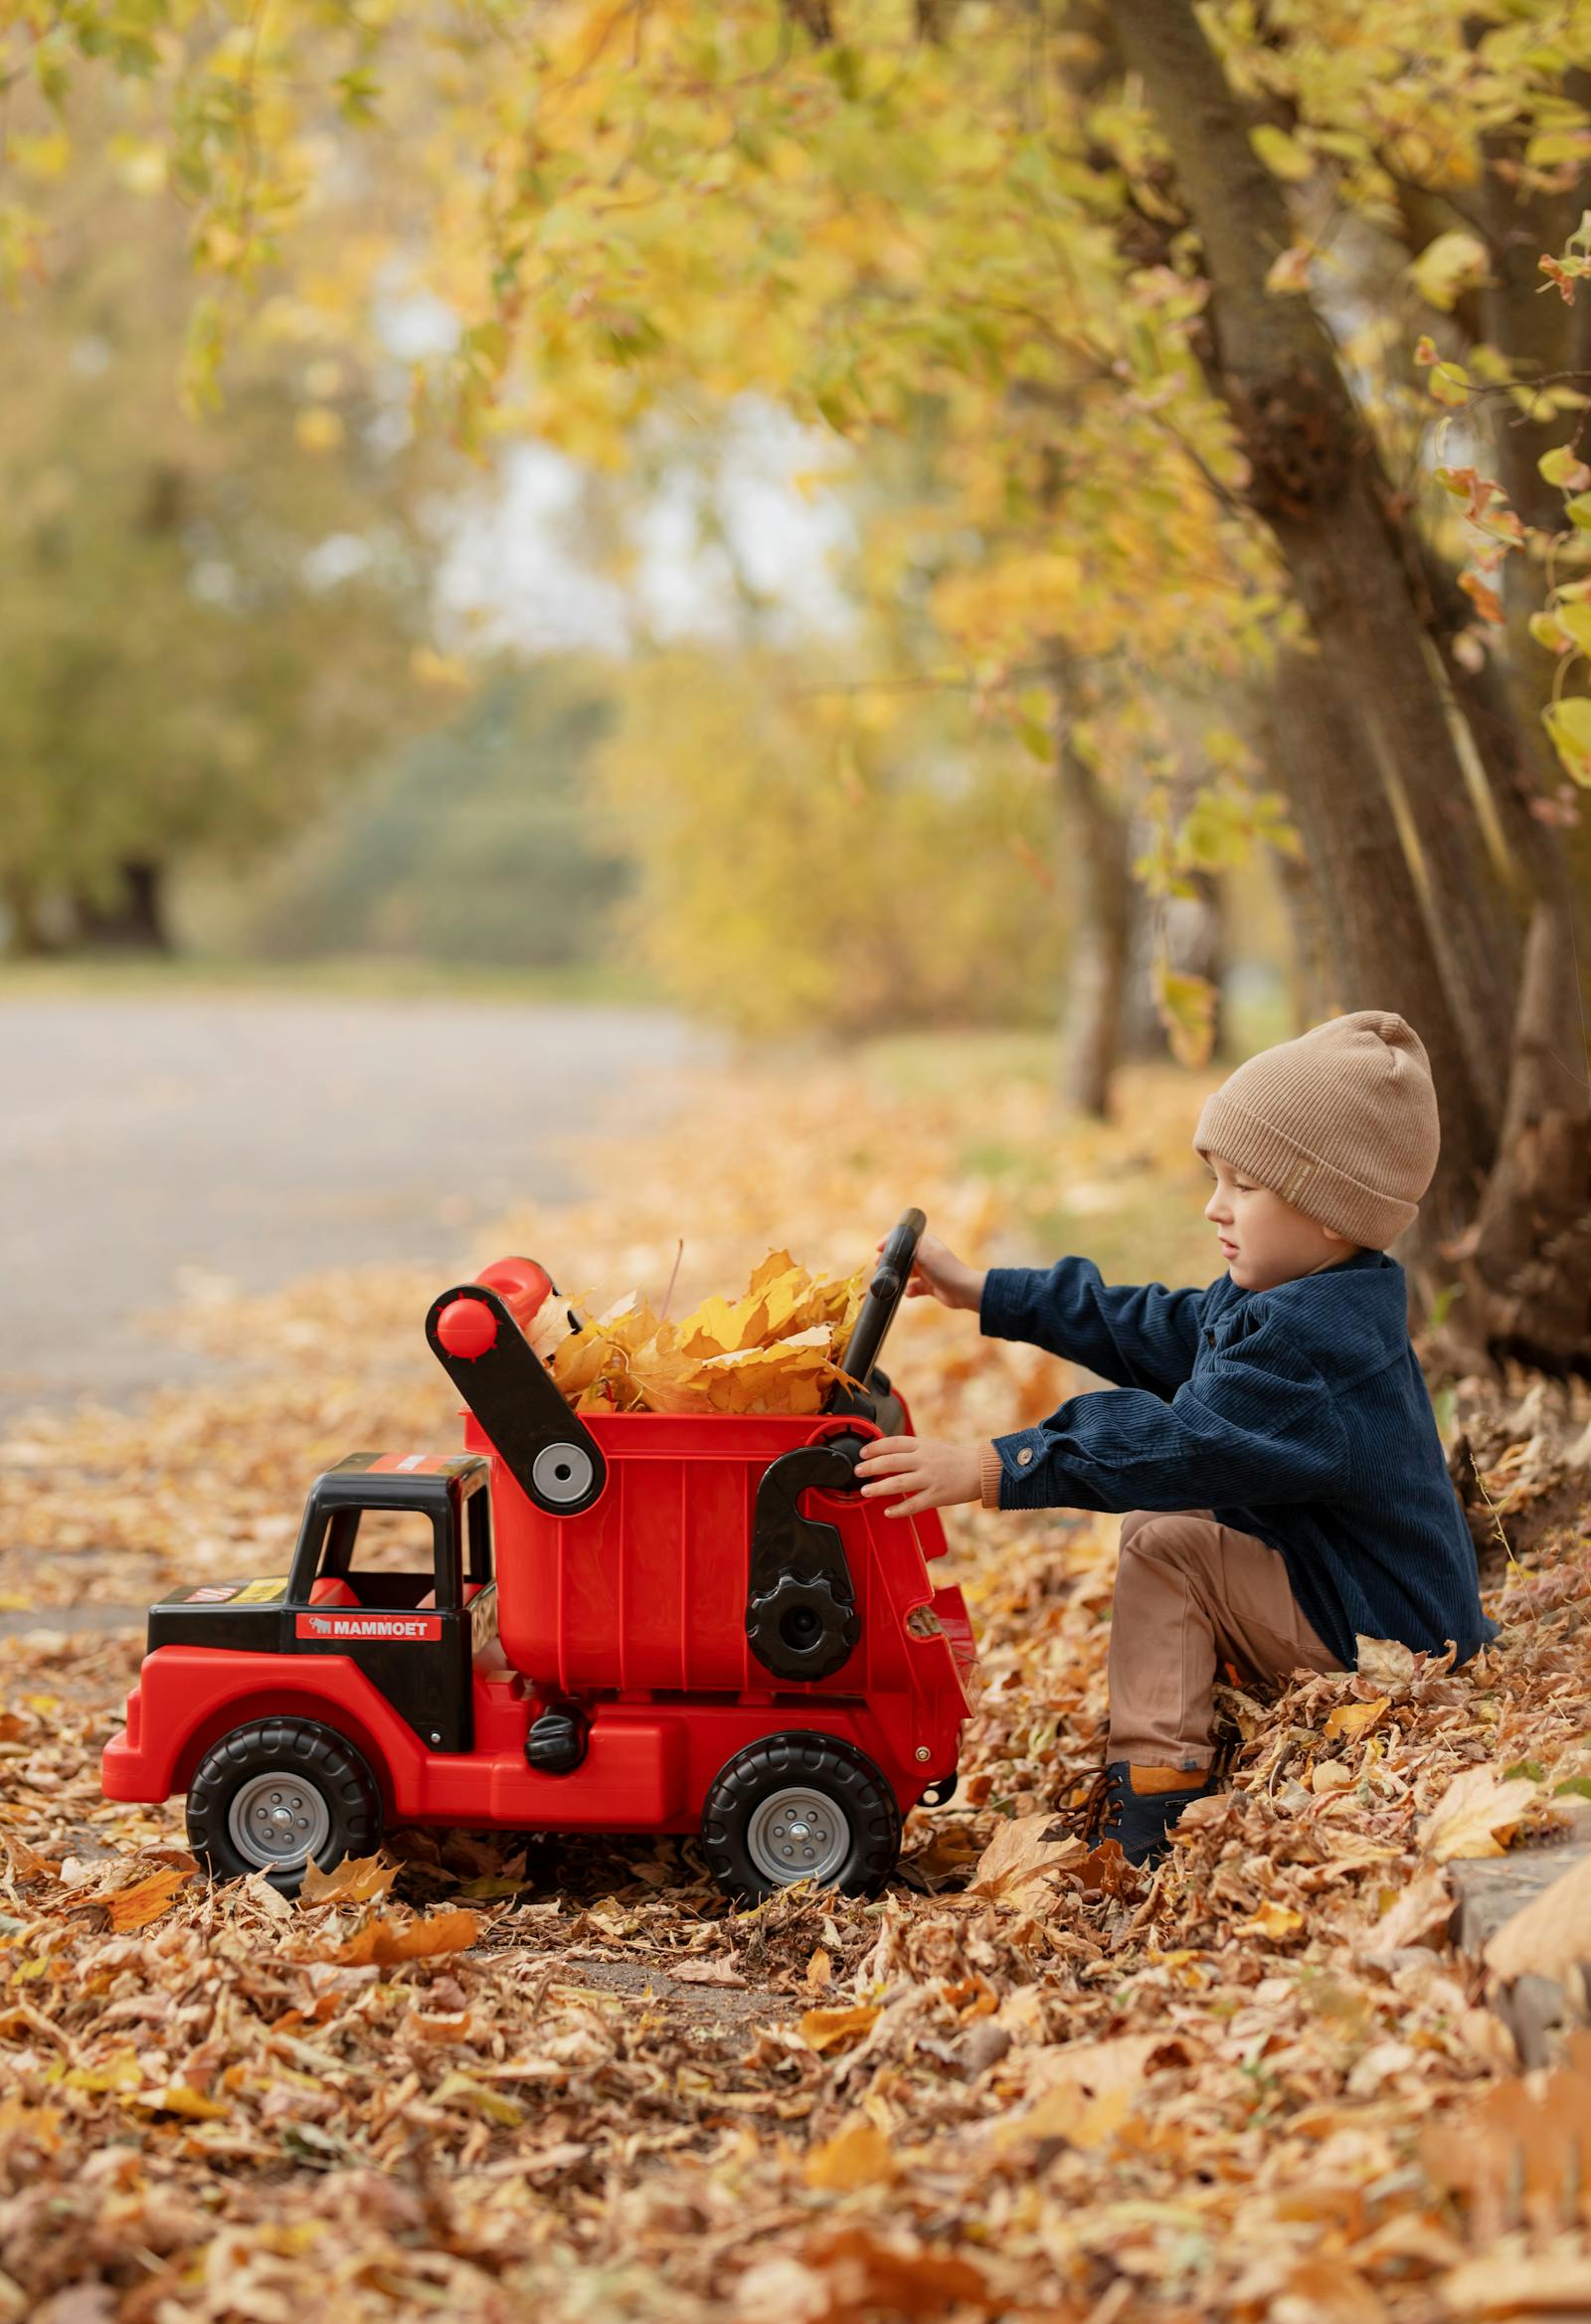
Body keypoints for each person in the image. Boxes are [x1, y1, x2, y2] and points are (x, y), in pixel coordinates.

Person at [854, 1010, 1495, 1867]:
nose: (1212, 1206)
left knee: (1165, 1546)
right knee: (1171, 1520)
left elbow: (1180, 1439)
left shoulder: (1311, 1348)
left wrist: (992, 1465)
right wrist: (989, 1292)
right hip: (1351, 1589)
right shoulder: (1297, 1294)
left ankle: (1151, 1810)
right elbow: (1152, 1324)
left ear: (1332, 1210)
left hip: (1393, 1638)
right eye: (1214, 1176)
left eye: (1244, 1186)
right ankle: (1177, 1748)